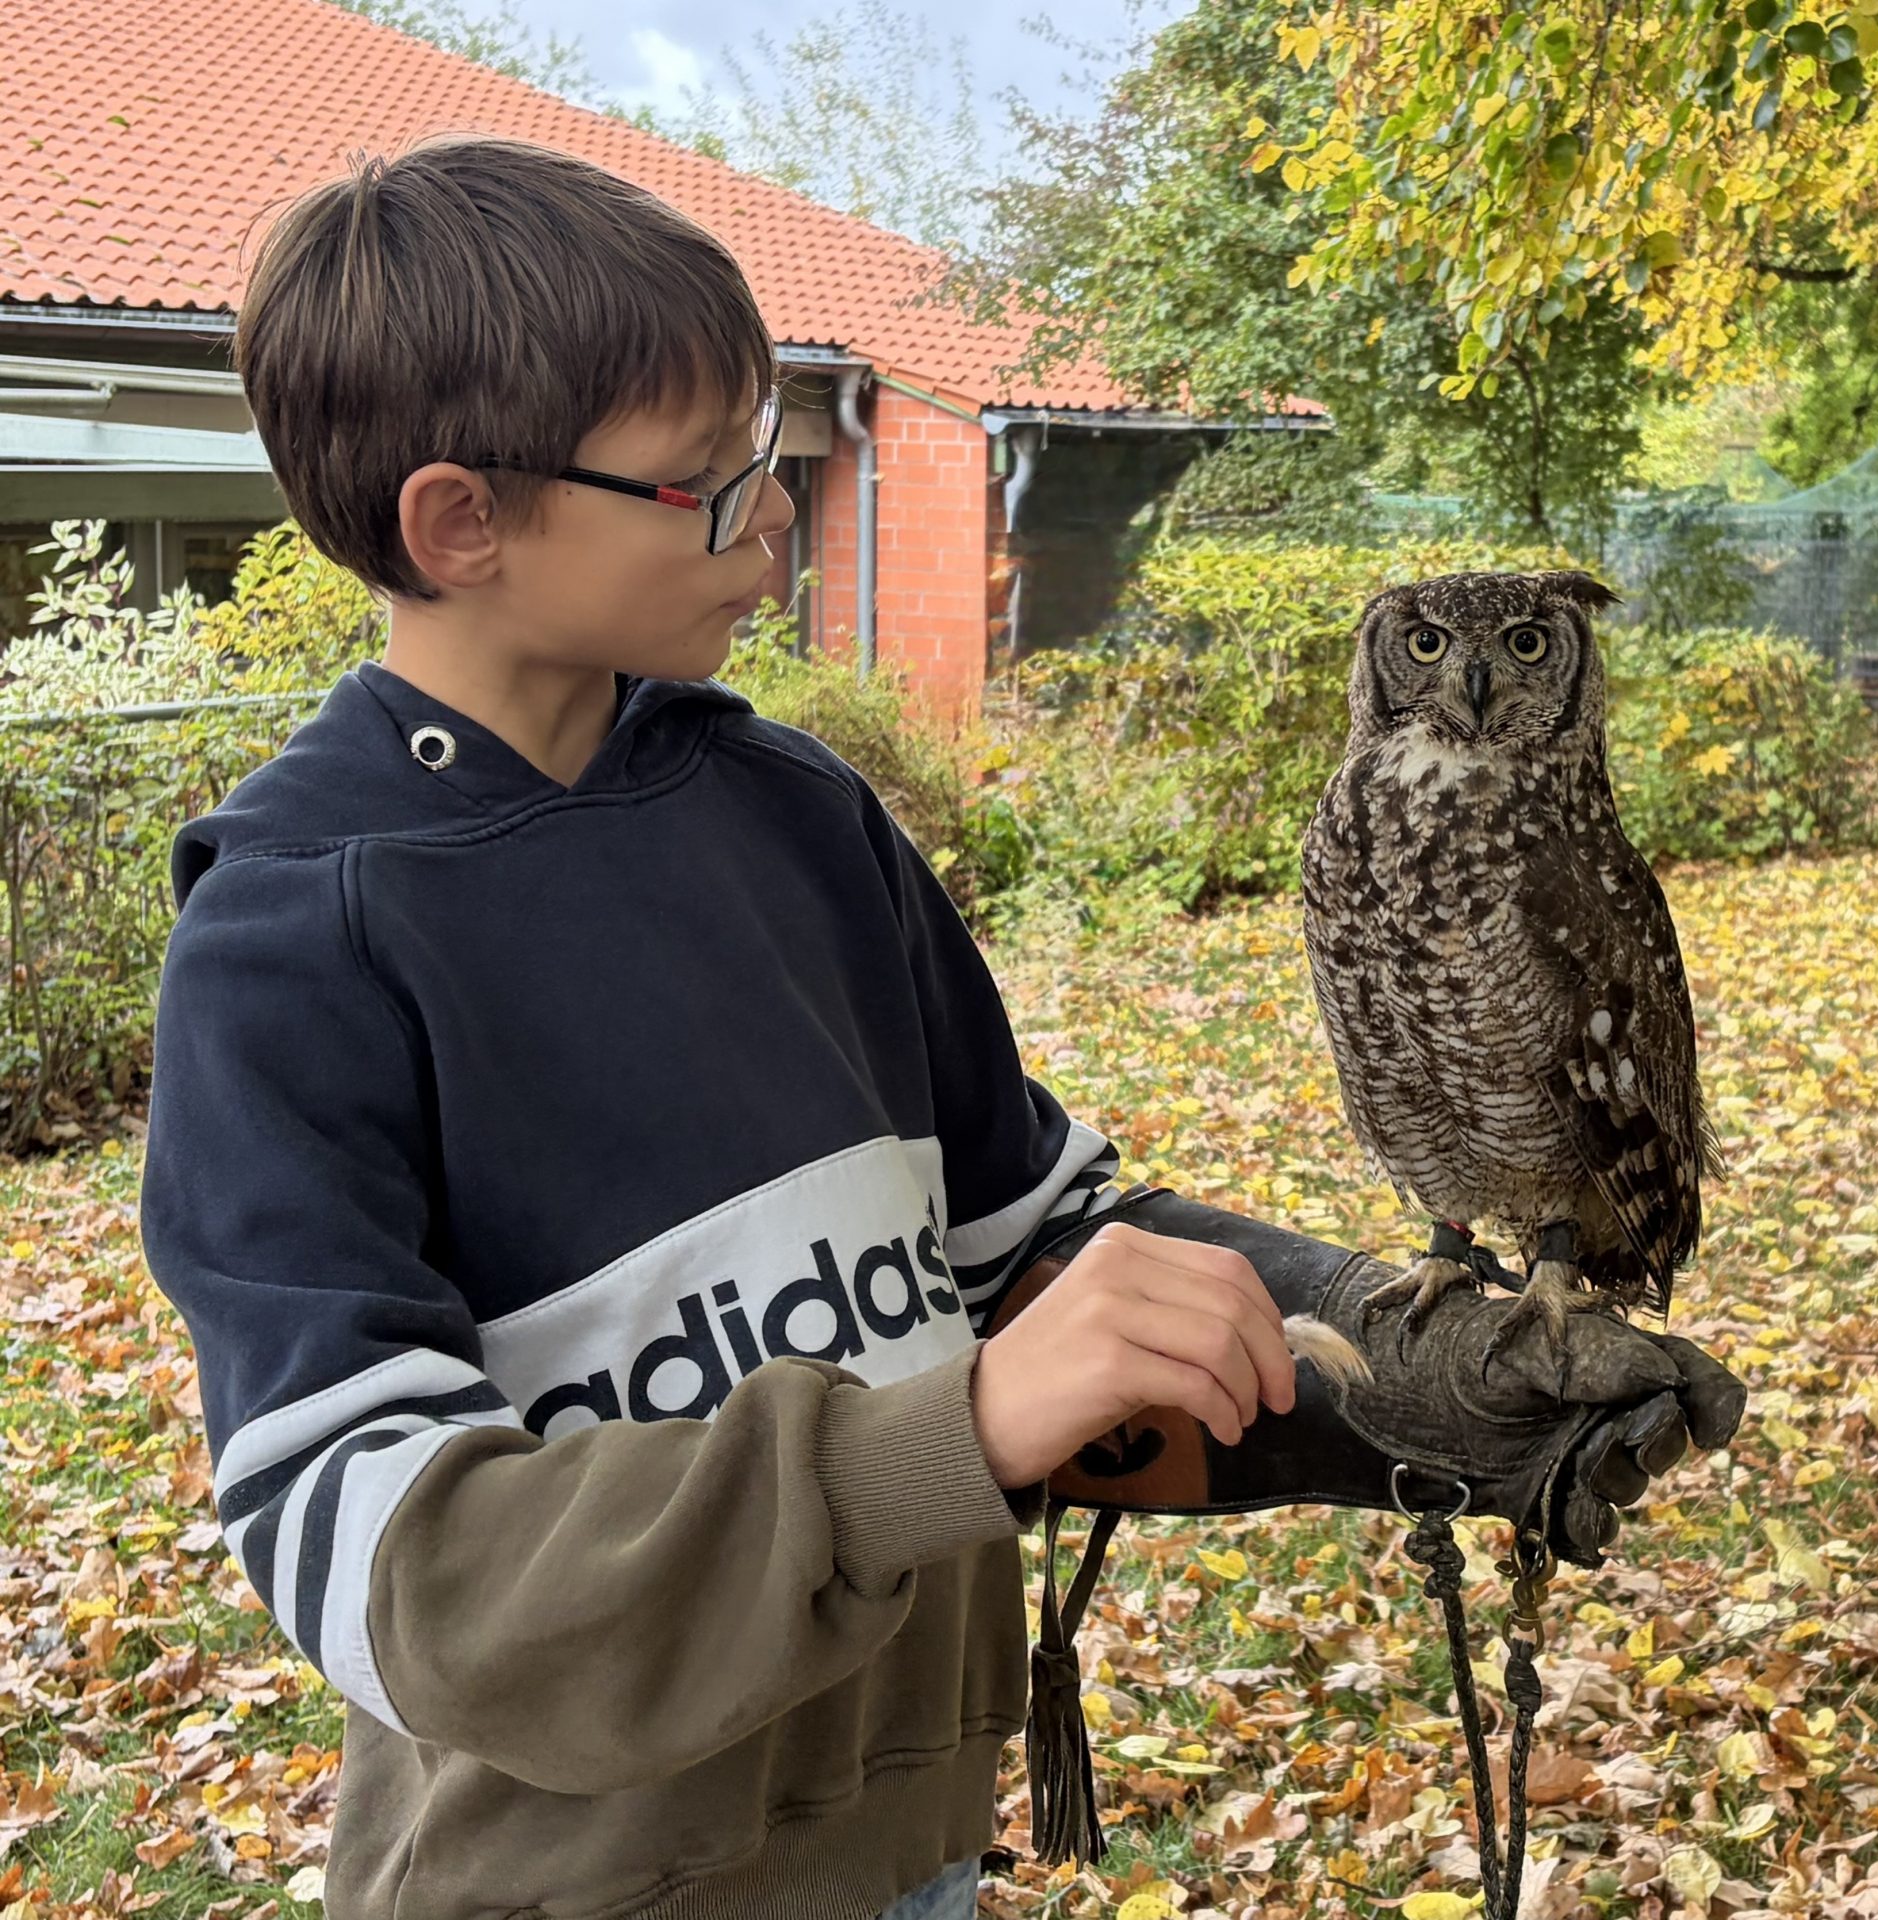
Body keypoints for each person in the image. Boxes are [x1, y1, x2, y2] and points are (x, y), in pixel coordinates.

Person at [139, 132, 1744, 1920]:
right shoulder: (295, 944)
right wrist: (951, 1438)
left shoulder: (800, 821)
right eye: (705, 479)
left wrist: (1401, 1384)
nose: (773, 513)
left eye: (773, 455)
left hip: (912, 1846)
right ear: (464, 523)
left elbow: (1038, 1264)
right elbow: (395, 1568)